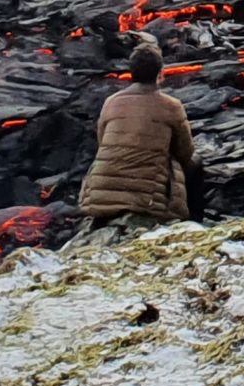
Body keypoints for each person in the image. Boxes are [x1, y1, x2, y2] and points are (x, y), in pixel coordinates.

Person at [74, 34, 200, 242]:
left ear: (130, 73)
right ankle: (195, 225)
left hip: (98, 199)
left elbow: (102, 141)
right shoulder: (171, 106)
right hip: (149, 202)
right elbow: (185, 153)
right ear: (160, 73)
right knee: (196, 165)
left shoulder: (111, 102)